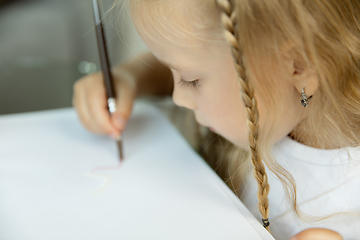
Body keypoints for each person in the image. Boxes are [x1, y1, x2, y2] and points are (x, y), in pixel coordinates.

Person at [73, 0, 360, 239]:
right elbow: (203, 58)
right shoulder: (287, 96)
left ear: (299, 65)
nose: (178, 98)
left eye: (191, 80)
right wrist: (132, 77)